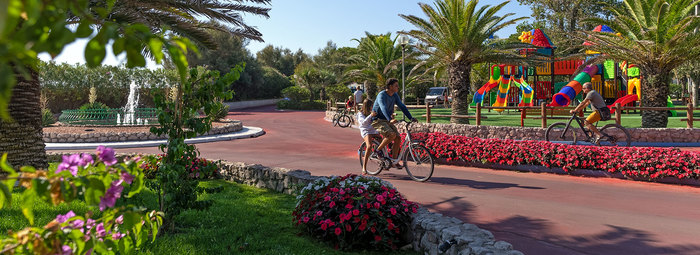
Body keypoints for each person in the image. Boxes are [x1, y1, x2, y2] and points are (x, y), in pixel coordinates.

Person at [372, 78, 417, 169]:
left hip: (387, 120)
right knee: (391, 135)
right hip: (378, 120)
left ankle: (394, 160)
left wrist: (411, 117)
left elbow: (402, 106)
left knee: (398, 138)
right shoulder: (382, 95)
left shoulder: (395, 95)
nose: (398, 87)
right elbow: (383, 107)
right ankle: (377, 151)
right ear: (390, 86)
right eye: (396, 85)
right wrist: (390, 119)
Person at [357, 98, 380, 174]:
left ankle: (380, 157)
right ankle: (364, 166)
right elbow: (363, 123)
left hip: (373, 130)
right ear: (367, 106)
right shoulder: (360, 113)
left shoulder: (372, 112)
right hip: (366, 130)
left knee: (383, 140)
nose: (372, 107)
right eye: (371, 106)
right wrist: (371, 115)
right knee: (369, 146)